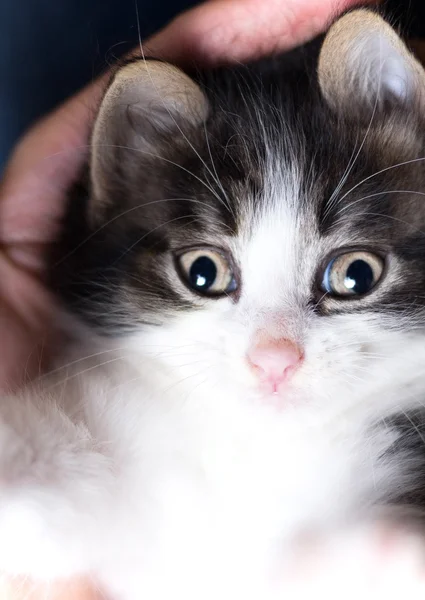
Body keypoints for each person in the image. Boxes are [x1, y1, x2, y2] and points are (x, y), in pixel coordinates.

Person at [0, 0, 373, 597]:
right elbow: (34, 484)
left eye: (354, 275)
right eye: (204, 273)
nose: (274, 351)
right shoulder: (121, 403)